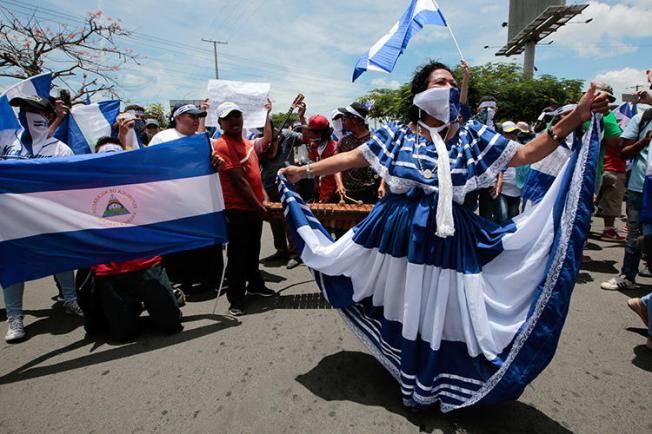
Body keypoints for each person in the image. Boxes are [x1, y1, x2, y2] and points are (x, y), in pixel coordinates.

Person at [280, 60, 608, 411]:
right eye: (441, 82)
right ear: (422, 91)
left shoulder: (471, 136)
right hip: (396, 242)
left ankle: (436, 377)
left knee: (440, 312)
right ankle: (407, 370)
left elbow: (526, 153)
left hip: (448, 243)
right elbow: (352, 158)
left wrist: (578, 115)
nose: (450, 88)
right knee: (406, 306)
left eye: (454, 83)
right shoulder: (396, 134)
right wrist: (304, 170)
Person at [1, 95, 82, 342]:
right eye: (23, 110)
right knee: (13, 266)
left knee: (62, 259)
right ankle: (15, 317)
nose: (26, 114)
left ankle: (70, 299)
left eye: (33, 110)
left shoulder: (60, 149)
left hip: (49, 217)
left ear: (46, 116)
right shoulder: (6, 141)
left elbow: (70, 185)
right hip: (11, 219)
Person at [212, 102, 276, 316]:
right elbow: (239, 181)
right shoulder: (222, 145)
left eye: (236, 116)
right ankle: (236, 299)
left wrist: (264, 197)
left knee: (253, 250)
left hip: (253, 206)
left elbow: (255, 174)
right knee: (238, 255)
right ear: (220, 123)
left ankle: (256, 286)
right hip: (237, 209)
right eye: (228, 118)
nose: (233, 121)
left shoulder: (248, 143)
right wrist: (258, 207)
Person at [600, 89, 652, 291]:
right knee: (635, 235)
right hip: (640, 189)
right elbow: (623, 152)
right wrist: (644, 142)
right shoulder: (642, 119)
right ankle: (628, 275)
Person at [334, 102, 382, 205]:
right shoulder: (343, 141)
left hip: (371, 193)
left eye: (345, 118)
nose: (343, 121)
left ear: (355, 120)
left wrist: (382, 185)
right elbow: (337, 165)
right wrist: (339, 184)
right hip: (347, 193)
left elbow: (385, 166)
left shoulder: (376, 140)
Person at [303, 115, 338, 203]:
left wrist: (331, 194)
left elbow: (337, 174)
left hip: (333, 191)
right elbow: (315, 165)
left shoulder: (334, 149)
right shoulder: (314, 146)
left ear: (318, 133)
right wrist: (315, 182)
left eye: (309, 131)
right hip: (321, 189)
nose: (307, 133)